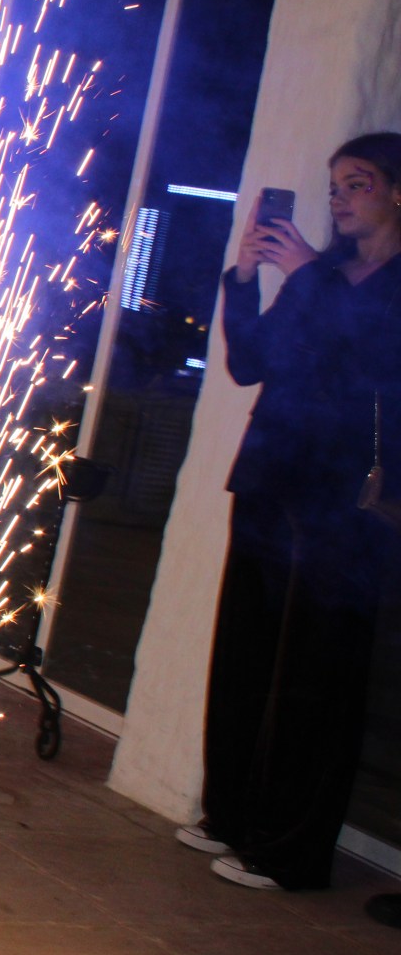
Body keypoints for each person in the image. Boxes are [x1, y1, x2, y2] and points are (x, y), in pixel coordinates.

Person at [180, 133, 401, 891]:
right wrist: (244, 278)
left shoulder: (378, 284)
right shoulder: (326, 273)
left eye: (357, 183)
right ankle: (231, 812)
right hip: (274, 475)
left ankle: (290, 849)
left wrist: (307, 274)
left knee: (317, 671)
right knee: (246, 651)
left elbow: (372, 361)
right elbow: (251, 362)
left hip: (346, 499)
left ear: (396, 192)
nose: (339, 199)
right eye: (334, 186)